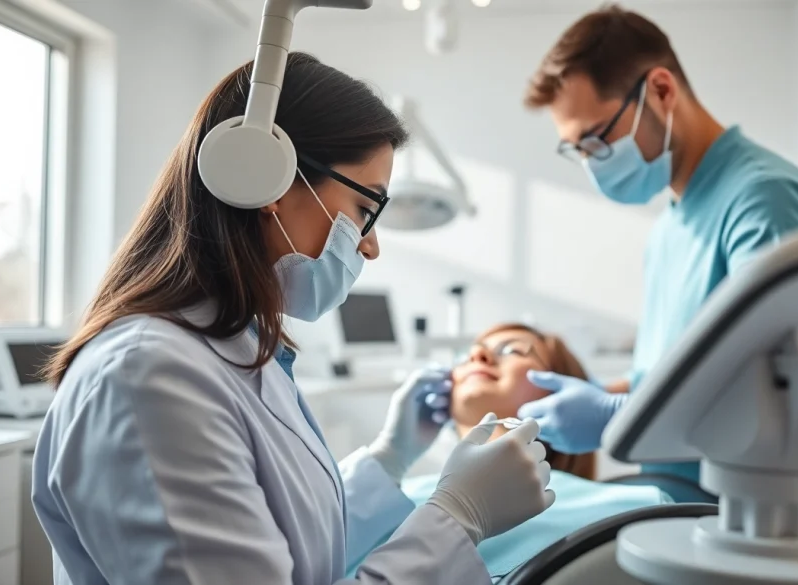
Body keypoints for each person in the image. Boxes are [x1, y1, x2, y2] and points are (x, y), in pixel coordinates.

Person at [31, 52, 556, 585]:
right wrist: (457, 518)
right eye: (366, 209)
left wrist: (389, 459)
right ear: (268, 179)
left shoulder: (238, 352)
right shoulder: (146, 377)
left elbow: (293, 550)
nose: (371, 246)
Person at [516, 5, 798, 537]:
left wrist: (614, 416)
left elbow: (787, 404)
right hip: (697, 528)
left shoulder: (763, 202)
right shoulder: (671, 228)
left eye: (598, 139)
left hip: (779, 540)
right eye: (578, 150)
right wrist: (588, 395)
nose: (592, 163)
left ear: (660, 90)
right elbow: (679, 375)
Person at [351, 323, 669, 580]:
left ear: (564, 385)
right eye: (466, 355)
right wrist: (389, 455)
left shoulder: (641, 509)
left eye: (511, 350)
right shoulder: (377, 505)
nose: (478, 356)